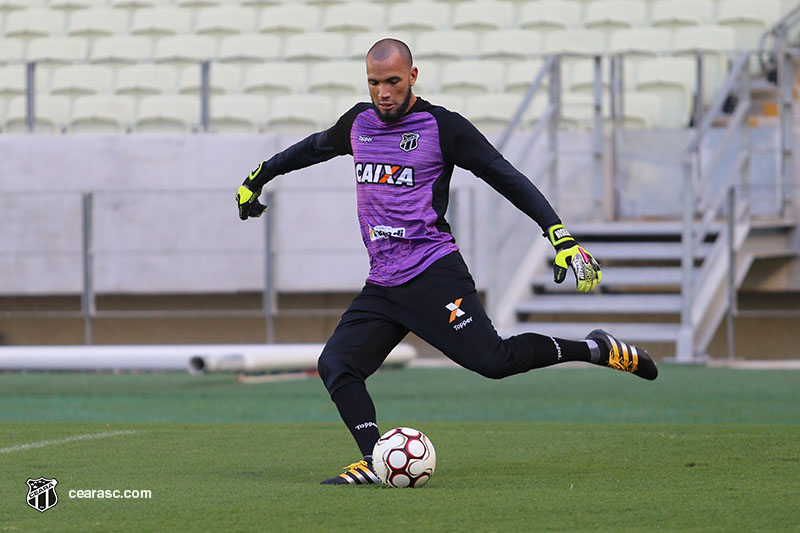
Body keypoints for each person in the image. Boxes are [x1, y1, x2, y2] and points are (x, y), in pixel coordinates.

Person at [236, 38, 658, 486]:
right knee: (337, 365)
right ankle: (375, 461)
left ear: (412, 77)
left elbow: (504, 175)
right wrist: (260, 176)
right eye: (375, 83)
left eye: (393, 82)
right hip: (384, 283)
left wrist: (558, 234)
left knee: (494, 361)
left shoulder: (442, 127)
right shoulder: (357, 124)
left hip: (434, 274)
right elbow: (312, 147)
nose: (384, 93)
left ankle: (596, 350)